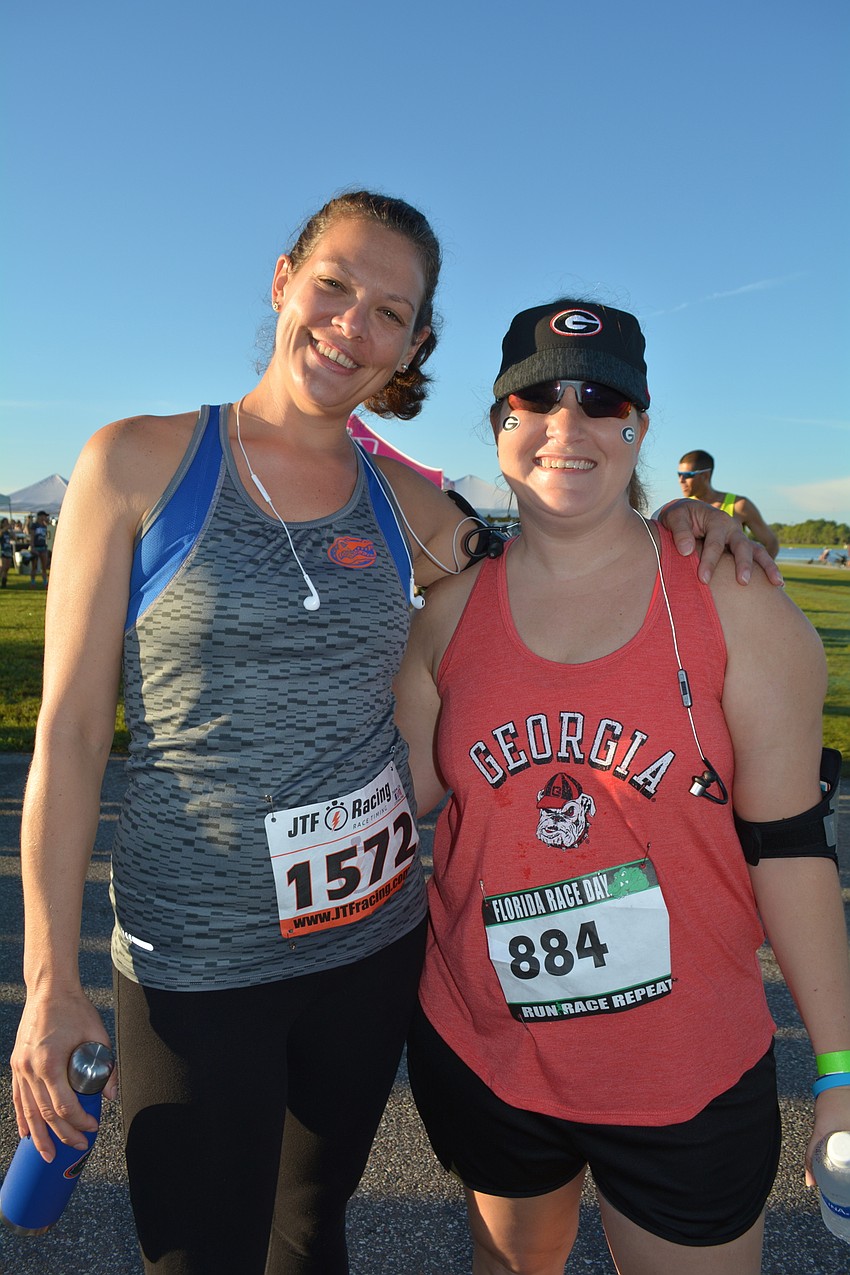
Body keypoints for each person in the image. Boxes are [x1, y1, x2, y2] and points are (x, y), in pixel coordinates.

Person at [9, 197, 772, 1275]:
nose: (350, 325)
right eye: (334, 287)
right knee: (197, 1254)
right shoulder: (141, 460)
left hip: (368, 950)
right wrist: (51, 981)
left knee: (310, 1235)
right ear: (282, 280)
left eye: (389, 312)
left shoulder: (404, 500)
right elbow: (73, 733)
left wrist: (678, 529)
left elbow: (556, 551)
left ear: (412, 346)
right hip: (200, 958)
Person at [395, 298, 850, 1274]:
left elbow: (791, 849)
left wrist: (841, 1071)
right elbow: (390, 801)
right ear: (500, 427)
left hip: (683, 1077)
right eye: (537, 400)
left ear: (638, 425)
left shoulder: (734, 601)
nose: (568, 426)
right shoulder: (447, 612)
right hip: (486, 1054)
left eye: (600, 401)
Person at [677, 450, 780, 558]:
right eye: (679, 474)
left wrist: (755, 572)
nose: (681, 480)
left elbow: (771, 544)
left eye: (687, 475)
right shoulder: (684, 507)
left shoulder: (739, 505)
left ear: (705, 475)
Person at [27, 509, 51, 587]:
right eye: (44, 516)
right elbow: (32, 536)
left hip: (43, 547)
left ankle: (45, 582)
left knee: (44, 566)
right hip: (36, 547)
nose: (45, 518)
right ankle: (33, 582)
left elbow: (47, 536)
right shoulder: (35, 525)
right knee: (34, 566)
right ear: (40, 516)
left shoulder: (44, 526)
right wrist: (32, 547)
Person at [0, 518, 13, 587]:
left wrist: (11, 530)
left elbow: (14, 537)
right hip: (3, 550)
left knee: (7, 567)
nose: (7, 523)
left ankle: (4, 581)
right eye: (6, 522)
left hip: (8, 550)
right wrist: (6, 528)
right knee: (2, 567)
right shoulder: (2, 531)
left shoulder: (8, 532)